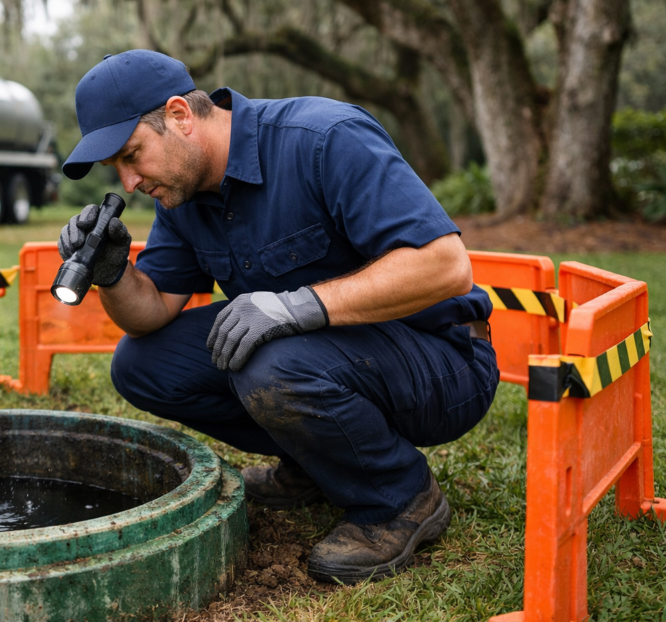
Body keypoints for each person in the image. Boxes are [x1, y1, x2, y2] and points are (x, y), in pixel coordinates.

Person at [57, 50, 499, 584]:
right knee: (142, 365)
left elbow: (446, 267)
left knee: (270, 361)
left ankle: (399, 498)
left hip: (442, 360)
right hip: (323, 360)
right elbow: (150, 315)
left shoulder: (323, 138)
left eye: (132, 156)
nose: (129, 182)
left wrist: (296, 306)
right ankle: (318, 465)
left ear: (179, 116)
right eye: (117, 170)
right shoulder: (182, 193)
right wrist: (113, 273)